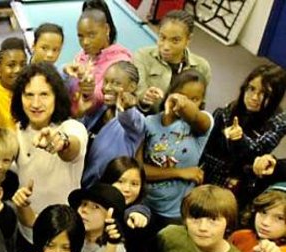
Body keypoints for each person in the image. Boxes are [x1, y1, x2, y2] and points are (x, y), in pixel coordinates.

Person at [10, 62, 87, 252]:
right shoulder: (17, 131)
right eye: (29, 95)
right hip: (27, 232)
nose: (35, 104)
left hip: (64, 238)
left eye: (44, 94)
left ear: (56, 97)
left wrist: (60, 142)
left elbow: (71, 148)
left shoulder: (72, 128)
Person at [200, 64, 286, 208]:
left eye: (265, 94)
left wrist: (239, 139)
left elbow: (257, 151)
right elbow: (206, 145)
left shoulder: (279, 121)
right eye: (251, 88)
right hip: (208, 173)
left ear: (275, 97)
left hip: (238, 183)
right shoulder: (227, 110)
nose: (254, 97)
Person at [137, 69, 212, 230]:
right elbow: (139, 170)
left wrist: (184, 103)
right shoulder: (149, 122)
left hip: (174, 214)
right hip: (144, 205)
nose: (188, 102)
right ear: (171, 92)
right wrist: (179, 172)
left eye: (195, 99)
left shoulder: (201, 124)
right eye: (182, 95)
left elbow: (194, 116)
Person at [81, 61, 145, 188]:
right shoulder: (98, 111)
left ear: (132, 87)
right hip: (84, 188)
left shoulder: (135, 120)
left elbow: (130, 118)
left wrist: (126, 108)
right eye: (106, 81)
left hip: (109, 193)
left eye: (116, 83)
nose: (108, 87)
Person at [134, 10, 211, 113]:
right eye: (162, 37)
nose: (166, 46)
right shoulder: (142, 56)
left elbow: (200, 106)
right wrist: (146, 97)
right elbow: (137, 94)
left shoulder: (202, 67)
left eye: (175, 40)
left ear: (188, 40)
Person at [65, 0, 131, 116]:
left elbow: (103, 97)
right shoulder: (82, 55)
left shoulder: (121, 61)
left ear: (106, 29)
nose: (85, 42)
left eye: (91, 35)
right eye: (81, 36)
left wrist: (88, 92)